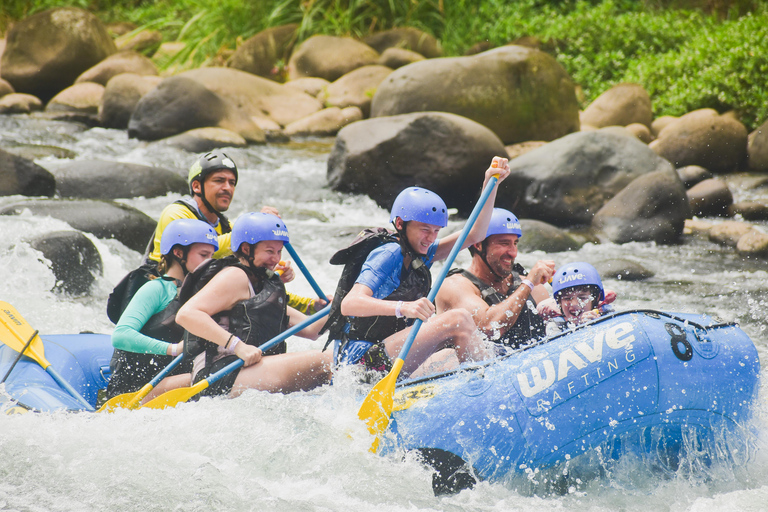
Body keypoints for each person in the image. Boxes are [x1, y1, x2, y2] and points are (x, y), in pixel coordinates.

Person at [334, 157, 511, 380]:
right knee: (458, 319)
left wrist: (490, 183)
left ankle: (485, 377)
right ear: (400, 224)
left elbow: (475, 234)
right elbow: (349, 304)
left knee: (453, 352)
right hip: (361, 364)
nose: (431, 238)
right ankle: (487, 386)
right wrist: (405, 307)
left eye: (437, 231)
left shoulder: (420, 254)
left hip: (387, 353)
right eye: (425, 229)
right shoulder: (388, 253)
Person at [174, 212, 332, 398]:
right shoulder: (235, 276)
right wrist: (238, 346)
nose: (276, 258)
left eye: (279, 251)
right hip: (220, 375)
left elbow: (312, 330)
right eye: (269, 251)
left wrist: (337, 306)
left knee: (339, 357)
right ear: (247, 249)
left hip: (247, 372)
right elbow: (186, 314)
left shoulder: (263, 287)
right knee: (329, 360)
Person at [106, 219, 219, 401]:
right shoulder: (157, 289)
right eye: (203, 255)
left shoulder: (199, 292)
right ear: (178, 253)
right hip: (134, 389)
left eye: (212, 256)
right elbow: (121, 335)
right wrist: (173, 349)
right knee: (207, 378)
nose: (209, 263)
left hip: (169, 380)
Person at [435, 208, 555, 351]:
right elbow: (490, 327)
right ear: (478, 244)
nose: (513, 252)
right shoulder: (453, 286)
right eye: (504, 243)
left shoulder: (533, 289)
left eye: (515, 243)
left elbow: (557, 329)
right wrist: (528, 284)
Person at [545, 262, 615, 335]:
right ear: (559, 302)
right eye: (567, 298)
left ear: (596, 299)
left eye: (582, 298)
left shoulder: (607, 315)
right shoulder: (555, 326)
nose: (574, 304)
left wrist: (597, 326)